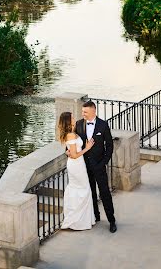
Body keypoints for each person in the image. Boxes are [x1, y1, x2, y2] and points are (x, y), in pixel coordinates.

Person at [74, 100, 117, 233]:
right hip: (84, 166)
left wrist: (103, 163)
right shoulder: (79, 124)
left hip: (99, 166)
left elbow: (109, 146)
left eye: (85, 112)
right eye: (82, 111)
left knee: (105, 193)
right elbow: (74, 142)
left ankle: (112, 220)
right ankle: (95, 216)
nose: (83, 114)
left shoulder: (103, 125)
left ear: (93, 111)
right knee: (90, 191)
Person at [58, 111, 96, 230]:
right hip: (76, 164)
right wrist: (87, 148)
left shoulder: (70, 133)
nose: (74, 118)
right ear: (68, 121)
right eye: (72, 117)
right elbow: (74, 155)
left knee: (79, 188)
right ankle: (77, 221)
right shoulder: (71, 135)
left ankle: (80, 220)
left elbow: (70, 150)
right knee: (83, 189)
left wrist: (68, 151)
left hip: (77, 164)